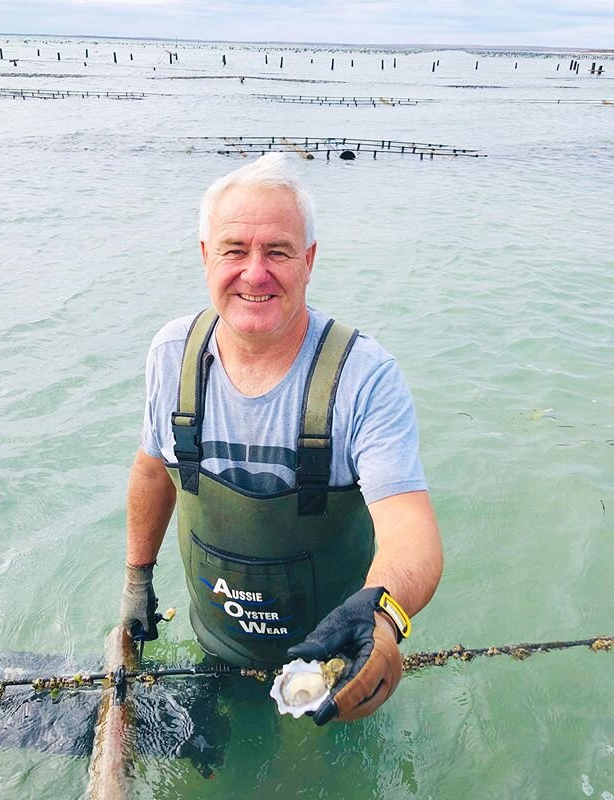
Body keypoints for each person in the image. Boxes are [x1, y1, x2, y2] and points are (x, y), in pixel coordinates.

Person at [120, 153, 442, 725]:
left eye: (278, 251)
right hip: (214, 643)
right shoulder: (172, 356)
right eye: (234, 249)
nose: (254, 272)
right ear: (204, 256)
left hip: (335, 663)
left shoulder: (364, 376)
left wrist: (382, 620)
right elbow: (152, 471)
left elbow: (410, 528)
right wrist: (136, 581)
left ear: (310, 260)